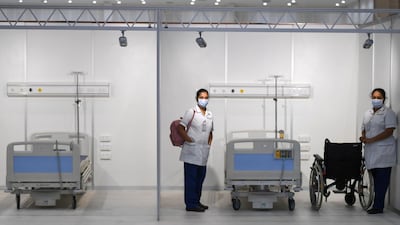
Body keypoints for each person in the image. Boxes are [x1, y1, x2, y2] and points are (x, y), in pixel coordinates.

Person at [359, 88, 397, 214]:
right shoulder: (367, 113)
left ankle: (378, 207)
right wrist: (364, 137)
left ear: (384, 99)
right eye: (374, 97)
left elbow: (389, 131)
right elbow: (364, 127)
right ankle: (377, 204)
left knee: (382, 181)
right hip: (371, 151)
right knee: (375, 180)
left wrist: (372, 140)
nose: (376, 99)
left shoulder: (388, 113)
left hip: (384, 152)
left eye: (379, 97)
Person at [177, 88, 213, 212]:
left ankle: (196, 201)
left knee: (200, 179)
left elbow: (210, 132)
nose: (204, 99)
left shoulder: (209, 114)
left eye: (206, 97)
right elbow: (180, 128)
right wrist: (189, 140)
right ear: (197, 98)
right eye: (201, 97)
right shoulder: (191, 112)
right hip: (191, 152)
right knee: (191, 180)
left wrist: (208, 144)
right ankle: (191, 204)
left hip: (203, 152)